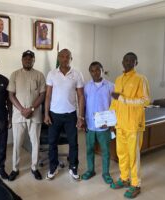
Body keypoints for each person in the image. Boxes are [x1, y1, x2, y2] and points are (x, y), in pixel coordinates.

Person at [109, 52, 150, 198]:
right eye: (126, 60)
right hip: (120, 124)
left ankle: (135, 184)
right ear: (122, 61)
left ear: (136, 63)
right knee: (122, 154)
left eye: (131, 60)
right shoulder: (118, 79)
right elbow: (114, 102)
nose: (128, 62)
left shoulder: (141, 79)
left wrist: (123, 99)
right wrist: (109, 119)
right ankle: (124, 178)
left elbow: (145, 101)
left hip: (133, 125)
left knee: (133, 156)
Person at [44, 48, 84, 180]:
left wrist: (81, 116)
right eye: (62, 56)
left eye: (68, 57)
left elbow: (80, 96)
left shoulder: (77, 74)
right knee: (52, 142)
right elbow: (48, 95)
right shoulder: (52, 74)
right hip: (54, 115)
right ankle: (53, 167)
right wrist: (46, 114)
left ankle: (73, 167)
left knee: (73, 143)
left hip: (70, 115)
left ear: (71, 59)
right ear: (59, 58)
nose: (65, 59)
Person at [7, 50, 46, 181]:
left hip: (35, 116)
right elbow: (11, 95)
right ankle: (15, 169)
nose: (28, 61)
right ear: (22, 60)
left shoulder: (40, 75)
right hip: (18, 116)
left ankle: (34, 168)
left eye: (30, 59)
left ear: (34, 60)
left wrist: (32, 108)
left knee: (35, 143)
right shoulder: (15, 75)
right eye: (25, 59)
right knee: (17, 143)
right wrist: (23, 110)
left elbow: (42, 95)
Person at [80, 61, 114, 184]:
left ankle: (106, 173)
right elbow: (83, 104)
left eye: (97, 70)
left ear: (102, 70)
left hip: (104, 126)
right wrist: (82, 119)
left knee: (106, 151)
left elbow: (114, 106)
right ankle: (91, 170)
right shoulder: (86, 86)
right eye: (92, 70)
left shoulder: (110, 86)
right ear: (90, 72)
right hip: (90, 125)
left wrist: (112, 123)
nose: (95, 72)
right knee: (89, 149)